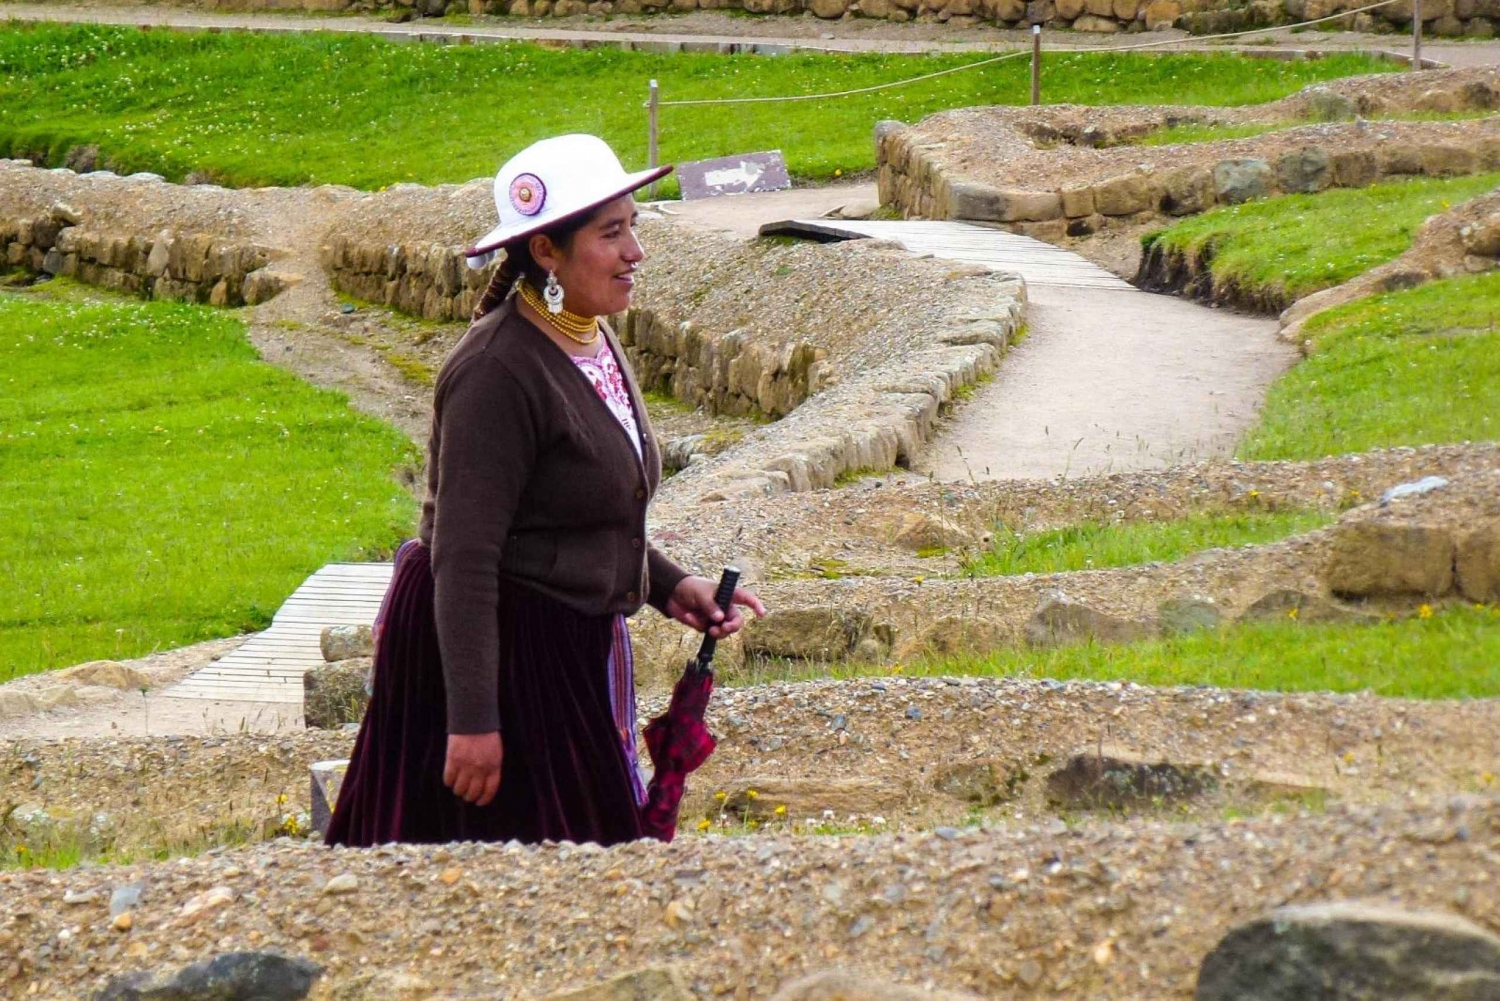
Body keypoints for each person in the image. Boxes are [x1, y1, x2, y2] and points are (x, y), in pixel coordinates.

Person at [325, 134, 765, 848]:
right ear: (546, 252)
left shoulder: (590, 337)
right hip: (502, 658)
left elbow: (575, 514)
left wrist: (669, 585)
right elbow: (464, 558)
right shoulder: (496, 371)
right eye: (611, 233)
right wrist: (473, 723)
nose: (635, 252)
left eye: (633, 227)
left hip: (565, 647)